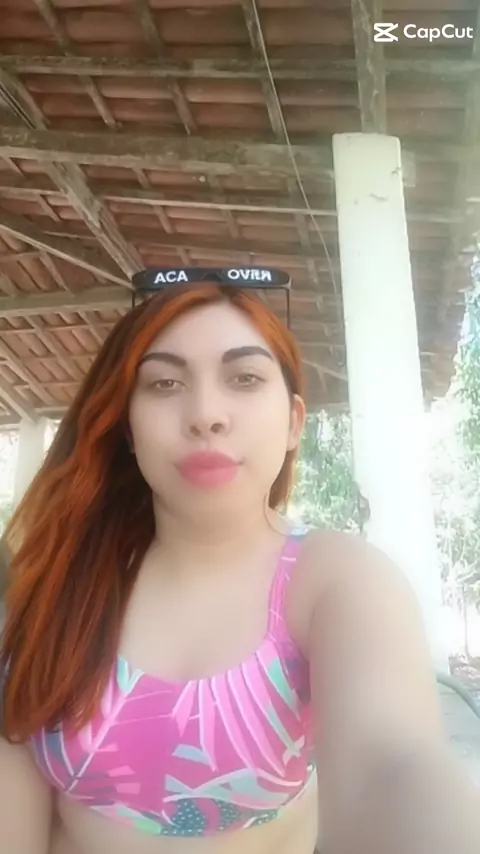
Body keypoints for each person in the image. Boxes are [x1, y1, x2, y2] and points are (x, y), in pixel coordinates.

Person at [0, 279, 478, 854]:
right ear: (128, 428)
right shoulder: (59, 587)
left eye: (245, 378)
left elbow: (393, 764)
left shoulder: (335, 580)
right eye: (165, 383)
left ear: (294, 422)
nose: (205, 415)